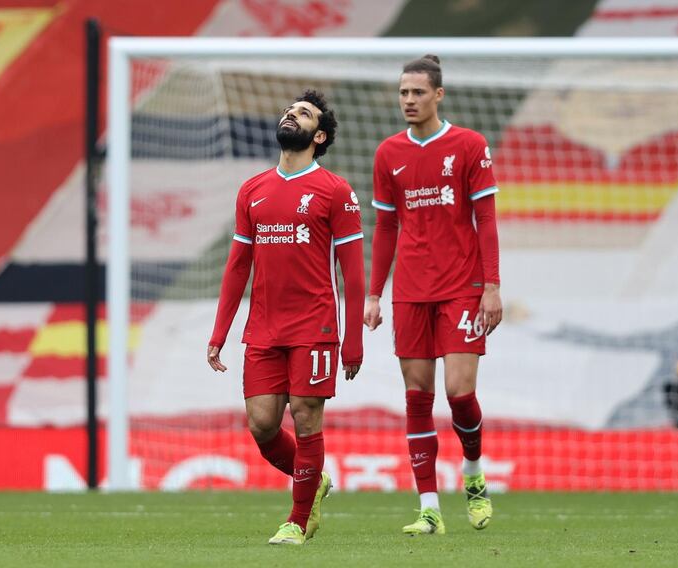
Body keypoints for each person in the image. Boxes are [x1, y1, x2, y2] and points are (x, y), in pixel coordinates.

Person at [207, 90, 365, 545]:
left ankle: (297, 520)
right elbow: (238, 266)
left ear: (318, 135)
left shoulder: (335, 190)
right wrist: (220, 333)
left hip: (313, 324)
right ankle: (314, 479)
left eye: (302, 113)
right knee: (262, 425)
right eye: (287, 111)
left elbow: (352, 274)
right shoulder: (252, 190)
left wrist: (351, 341)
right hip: (264, 326)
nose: (289, 116)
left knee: (306, 415)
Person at [364, 55, 502, 535]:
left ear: (438, 95)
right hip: (411, 291)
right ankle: (428, 509)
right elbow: (384, 228)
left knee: (460, 393)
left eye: (417, 92)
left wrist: (492, 285)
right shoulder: (388, 154)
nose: (408, 100)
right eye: (403, 92)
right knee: (417, 396)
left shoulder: (468, 145)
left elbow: (485, 218)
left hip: (462, 287)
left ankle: (473, 472)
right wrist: (373, 295)